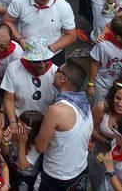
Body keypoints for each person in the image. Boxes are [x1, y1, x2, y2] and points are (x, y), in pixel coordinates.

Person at [34, 60, 93, 191]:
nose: (54, 72)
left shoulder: (56, 110)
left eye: (58, 71)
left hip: (57, 175)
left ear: (63, 78)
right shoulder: (85, 103)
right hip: (80, 170)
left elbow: (40, 147)